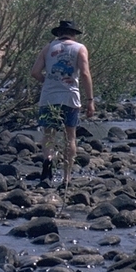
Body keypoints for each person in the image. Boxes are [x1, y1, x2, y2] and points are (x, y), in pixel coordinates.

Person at [30, 19, 95, 187]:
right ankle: (66, 177)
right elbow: (86, 74)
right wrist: (90, 100)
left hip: (49, 97)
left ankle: (48, 162)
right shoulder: (80, 48)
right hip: (70, 97)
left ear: (58, 33)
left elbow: (35, 72)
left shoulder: (48, 48)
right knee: (70, 136)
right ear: (73, 34)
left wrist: (48, 81)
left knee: (48, 134)